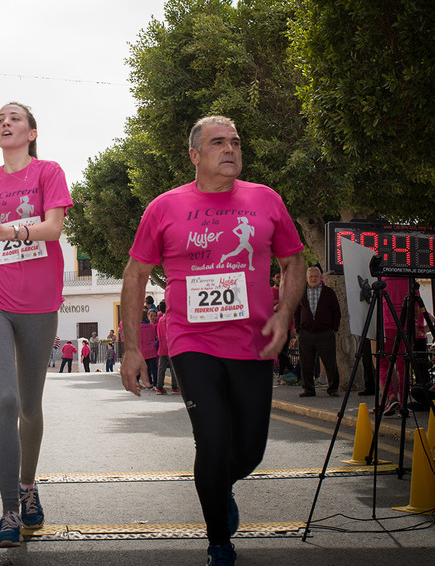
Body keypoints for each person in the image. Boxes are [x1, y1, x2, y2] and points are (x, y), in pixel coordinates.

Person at [120, 115, 305, 566]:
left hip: (254, 342)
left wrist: (284, 313)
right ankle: (219, 541)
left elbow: (294, 262)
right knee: (214, 439)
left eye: (236, 142)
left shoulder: (266, 200)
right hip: (191, 341)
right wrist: (131, 347)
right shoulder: (164, 207)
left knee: (251, 449)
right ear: (195, 155)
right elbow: (136, 274)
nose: (230, 149)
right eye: (218, 142)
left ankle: (216, 488)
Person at [0, 101, 72, 547]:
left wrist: (17, 233)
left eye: (14, 119)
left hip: (40, 302)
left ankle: (28, 485)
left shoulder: (48, 172)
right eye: (0, 120)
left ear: (31, 132)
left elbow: (53, 227)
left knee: (29, 405)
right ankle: (8, 511)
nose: (6, 124)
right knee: (5, 398)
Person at [294, 267, 341, 397]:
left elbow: (336, 311)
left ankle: (332, 389)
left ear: (320, 277)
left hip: (325, 333)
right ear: (306, 278)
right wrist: (298, 329)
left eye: (316, 276)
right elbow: (296, 312)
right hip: (306, 334)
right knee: (306, 364)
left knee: (330, 362)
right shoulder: (300, 293)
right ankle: (308, 389)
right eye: (311, 276)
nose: (313, 278)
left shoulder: (328, 292)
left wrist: (333, 329)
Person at [155, 310, 179, 394]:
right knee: (173, 368)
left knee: (161, 368)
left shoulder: (160, 320)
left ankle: (159, 387)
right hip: (170, 346)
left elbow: (157, 333)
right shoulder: (169, 319)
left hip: (162, 346)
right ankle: (174, 387)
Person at [139, 308, 159, 390]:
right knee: (154, 368)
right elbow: (154, 336)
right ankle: (155, 384)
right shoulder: (151, 326)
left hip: (142, 350)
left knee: (146, 369)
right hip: (151, 349)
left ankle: (149, 383)